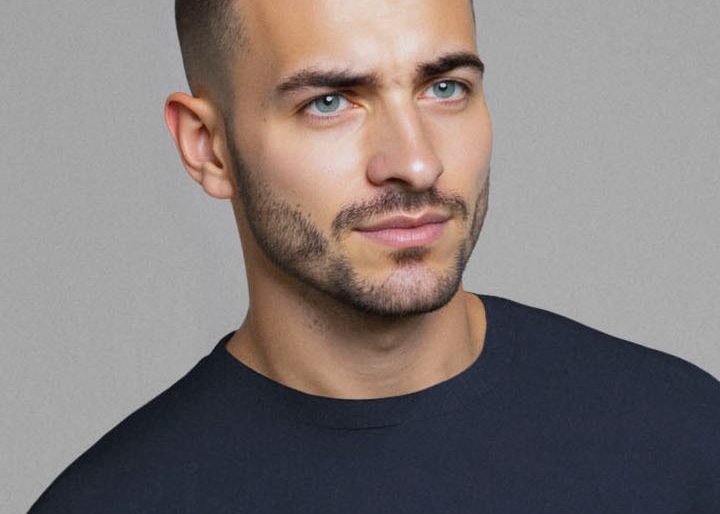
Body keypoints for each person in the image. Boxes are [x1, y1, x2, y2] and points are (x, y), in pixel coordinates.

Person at [29, 0, 719, 512]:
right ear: (208, 148)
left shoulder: (684, 442)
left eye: (444, 88)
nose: (416, 163)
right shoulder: (113, 502)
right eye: (331, 101)